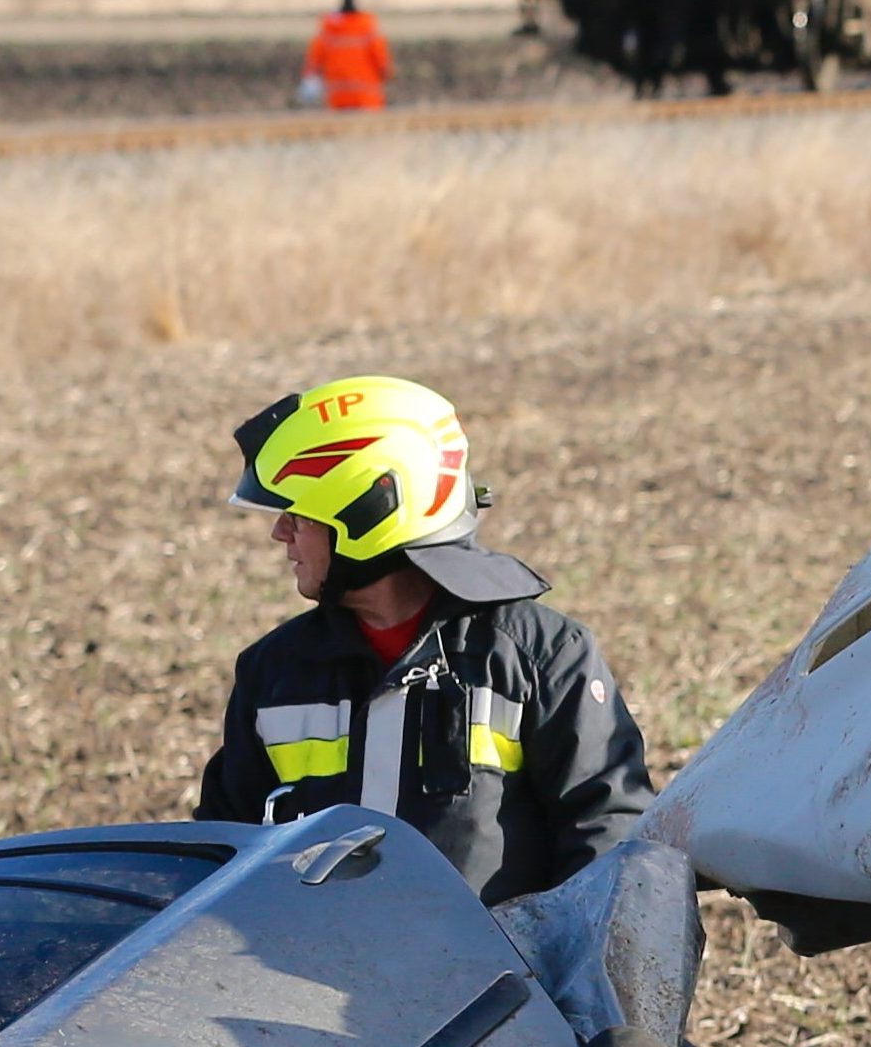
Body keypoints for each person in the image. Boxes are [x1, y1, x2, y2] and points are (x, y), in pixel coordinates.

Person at [196, 375, 650, 905]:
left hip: (496, 986)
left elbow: (611, 846)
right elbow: (218, 861)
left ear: (369, 512)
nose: (281, 533)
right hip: (307, 984)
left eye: (298, 514)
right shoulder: (272, 672)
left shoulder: (542, 658)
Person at [307, 0, 392, 112]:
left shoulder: (328, 26)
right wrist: (386, 72)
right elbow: (380, 55)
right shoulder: (366, 24)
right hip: (366, 95)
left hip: (338, 94)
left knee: (340, 127)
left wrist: (310, 77)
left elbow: (315, 56)